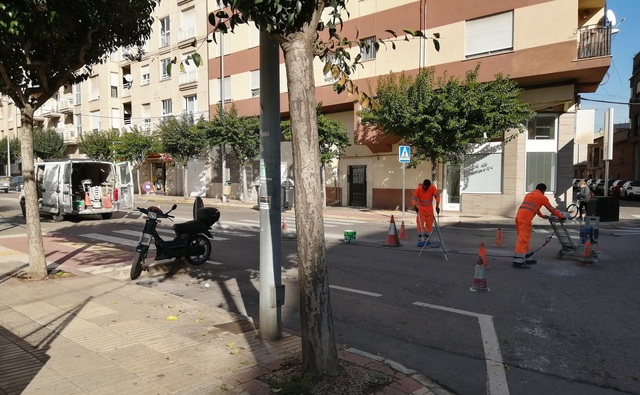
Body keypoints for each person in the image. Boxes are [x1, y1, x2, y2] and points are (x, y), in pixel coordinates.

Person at [513, 183, 565, 269]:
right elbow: (551, 209)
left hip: (519, 218)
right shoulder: (542, 197)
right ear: (543, 190)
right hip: (525, 219)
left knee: (524, 239)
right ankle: (518, 261)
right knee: (523, 240)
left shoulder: (529, 195)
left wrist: (541, 216)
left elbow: (533, 207)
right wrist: (561, 216)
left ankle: (529, 257)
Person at [412, 179, 440, 247]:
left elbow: (437, 196)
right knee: (420, 224)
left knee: (429, 224)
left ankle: (427, 239)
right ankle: (421, 239)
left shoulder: (432, 187)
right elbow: (414, 199)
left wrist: (437, 206)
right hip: (421, 209)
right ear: (423, 185)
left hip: (429, 208)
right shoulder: (418, 190)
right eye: (425, 187)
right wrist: (415, 206)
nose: (426, 189)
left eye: (427, 188)